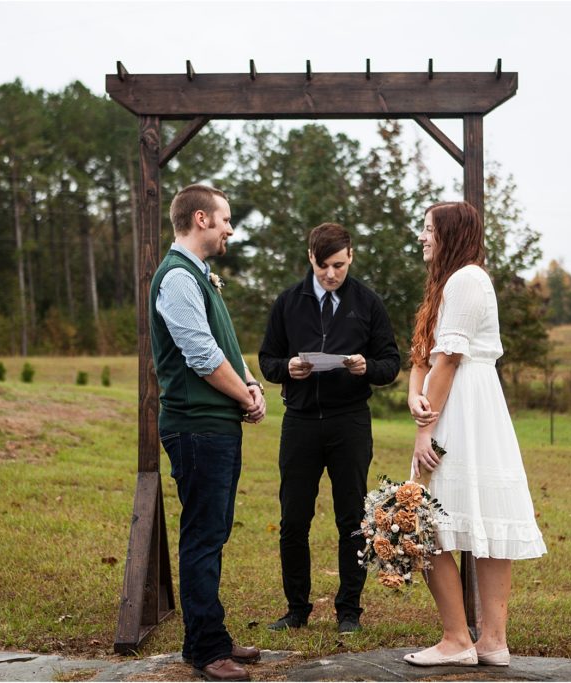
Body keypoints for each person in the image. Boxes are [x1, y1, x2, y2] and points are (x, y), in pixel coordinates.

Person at [403, 201, 547, 667]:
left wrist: (427, 429)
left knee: (426, 520)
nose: (422, 237)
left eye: (428, 230)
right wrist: (413, 397)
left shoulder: (467, 279)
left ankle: (465, 640)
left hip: (465, 408)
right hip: (449, 403)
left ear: (450, 234)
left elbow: (448, 360)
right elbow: (423, 356)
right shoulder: (444, 285)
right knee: (442, 518)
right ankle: (483, 641)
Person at [258, 222, 401, 635]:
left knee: (352, 520)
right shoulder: (288, 303)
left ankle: (349, 612)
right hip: (300, 423)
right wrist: (287, 367)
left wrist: (366, 367)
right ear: (310, 259)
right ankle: (296, 609)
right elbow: (268, 359)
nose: (331, 274)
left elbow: (390, 362)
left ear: (351, 256)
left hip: (349, 423)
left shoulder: (369, 303)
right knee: (293, 520)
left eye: (338, 265)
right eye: (323, 267)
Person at [150, 184, 266, 682]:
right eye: (225, 220)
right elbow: (199, 355)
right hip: (196, 430)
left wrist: (251, 384)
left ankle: (205, 636)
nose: (230, 229)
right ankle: (206, 652)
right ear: (200, 219)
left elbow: (224, 344)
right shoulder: (177, 278)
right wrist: (243, 397)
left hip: (214, 428)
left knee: (212, 534)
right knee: (202, 537)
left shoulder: (199, 276)